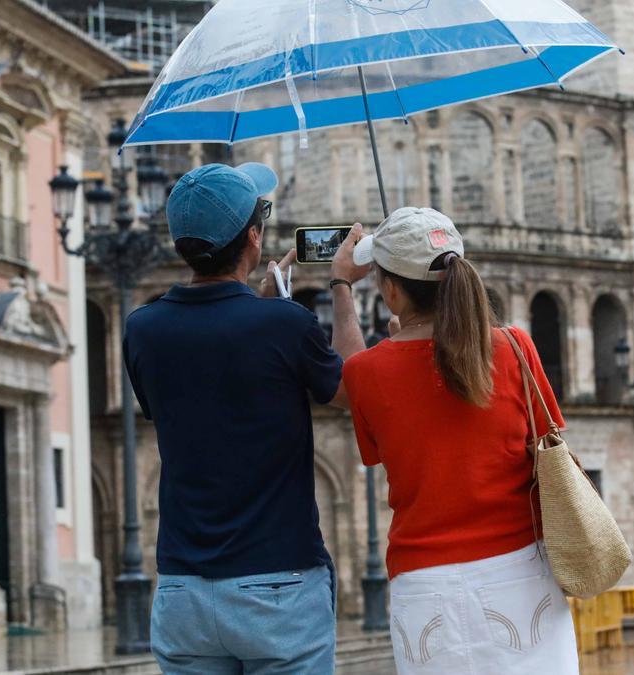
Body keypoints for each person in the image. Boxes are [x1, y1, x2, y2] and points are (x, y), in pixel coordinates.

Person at [124, 163, 363, 675]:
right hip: (277, 584)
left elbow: (210, 363)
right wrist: (341, 287)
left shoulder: (141, 329)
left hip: (183, 589)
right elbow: (352, 392)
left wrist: (258, 308)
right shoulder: (285, 323)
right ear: (254, 237)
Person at [332, 207, 579, 674]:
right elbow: (546, 436)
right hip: (521, 573)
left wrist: (342, 287)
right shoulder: (514, 346)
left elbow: (353, 376)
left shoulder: (370, 371)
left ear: (389, 290)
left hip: (424, 585)